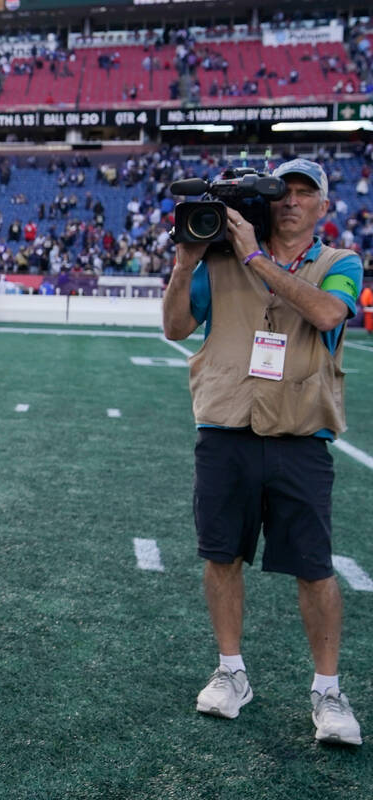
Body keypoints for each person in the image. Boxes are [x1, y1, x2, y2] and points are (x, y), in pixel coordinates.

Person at [162, 158, 364, 746]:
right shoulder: (217, 258)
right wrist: (184, 264)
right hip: (226, 426)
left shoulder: (339, 262)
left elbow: (328, 312)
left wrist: (256, 257)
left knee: (313, 566)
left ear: (324, 206)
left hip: (300, 433)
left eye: (307, 193)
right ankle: (232, 671)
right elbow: (175, 327)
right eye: (283, 191)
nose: (292, 201)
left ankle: (327, 688)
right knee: (222, 555)